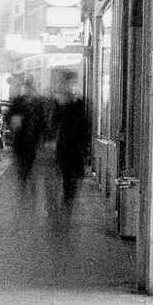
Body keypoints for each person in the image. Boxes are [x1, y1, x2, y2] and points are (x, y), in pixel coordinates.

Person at [51, 71, 89, 205]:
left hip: (76, 148)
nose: (70, 85)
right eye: (68, 82)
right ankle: (66, 202)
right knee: (67, 178)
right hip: (64, 147)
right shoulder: (59, 103)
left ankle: (68, 201)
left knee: (72, 179)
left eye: (72, 82)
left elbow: (85, 126)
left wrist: (85, 147)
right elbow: (53, 124)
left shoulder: (79, 103)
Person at [6, 78, 45, 190]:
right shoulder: (18, 102)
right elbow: (8, 117)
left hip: (35, 143)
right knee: (22, 170)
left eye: (31, 87)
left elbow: (44, 122)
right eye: (28, 87)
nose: (29, 90)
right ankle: (24, 188)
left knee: (32, 170)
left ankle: (31, 188)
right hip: (21, 142)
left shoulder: (39, 103)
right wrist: (13, 122)